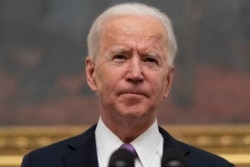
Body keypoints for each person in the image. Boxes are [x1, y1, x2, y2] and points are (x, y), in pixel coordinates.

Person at [21, 2, 234, 167]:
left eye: (150, 59)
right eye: (120, 57)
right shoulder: (42, 163)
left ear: (167, 81)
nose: (135, 74)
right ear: (91, 73)